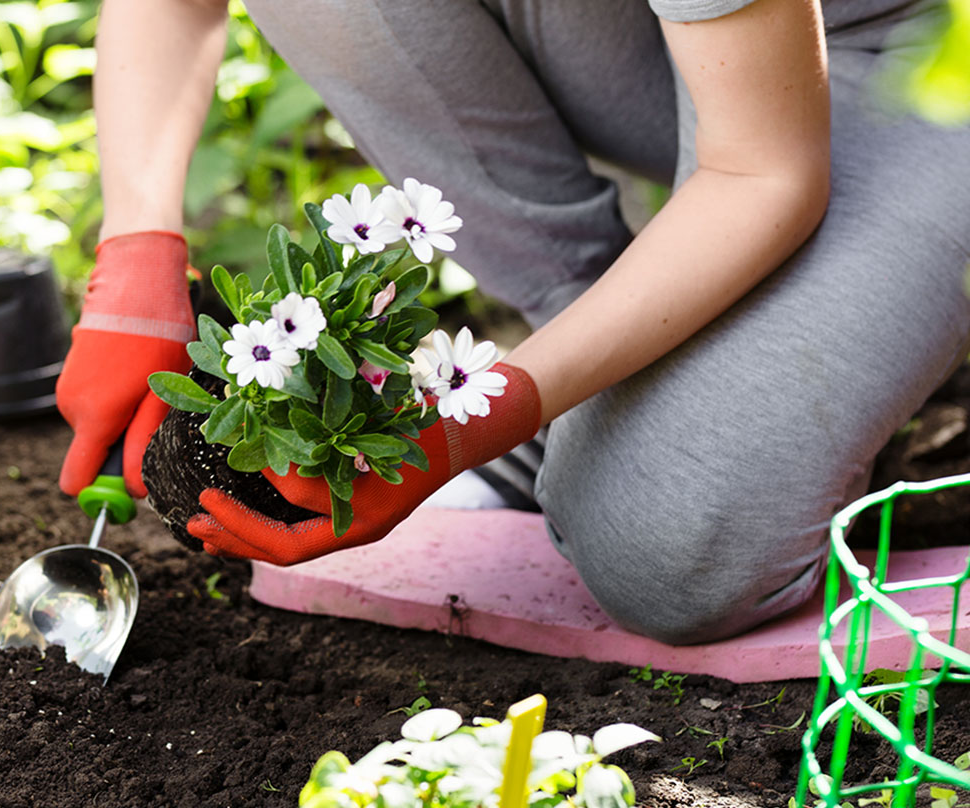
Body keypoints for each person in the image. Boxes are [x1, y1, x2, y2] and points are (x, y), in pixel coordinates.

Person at [55, 0, 970, 645]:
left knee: (663, 550)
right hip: (690, 44)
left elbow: (762, 173)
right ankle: (593, 367)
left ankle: (695, 396)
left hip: (916, 58)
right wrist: (135, 258)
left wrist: (465, 430)